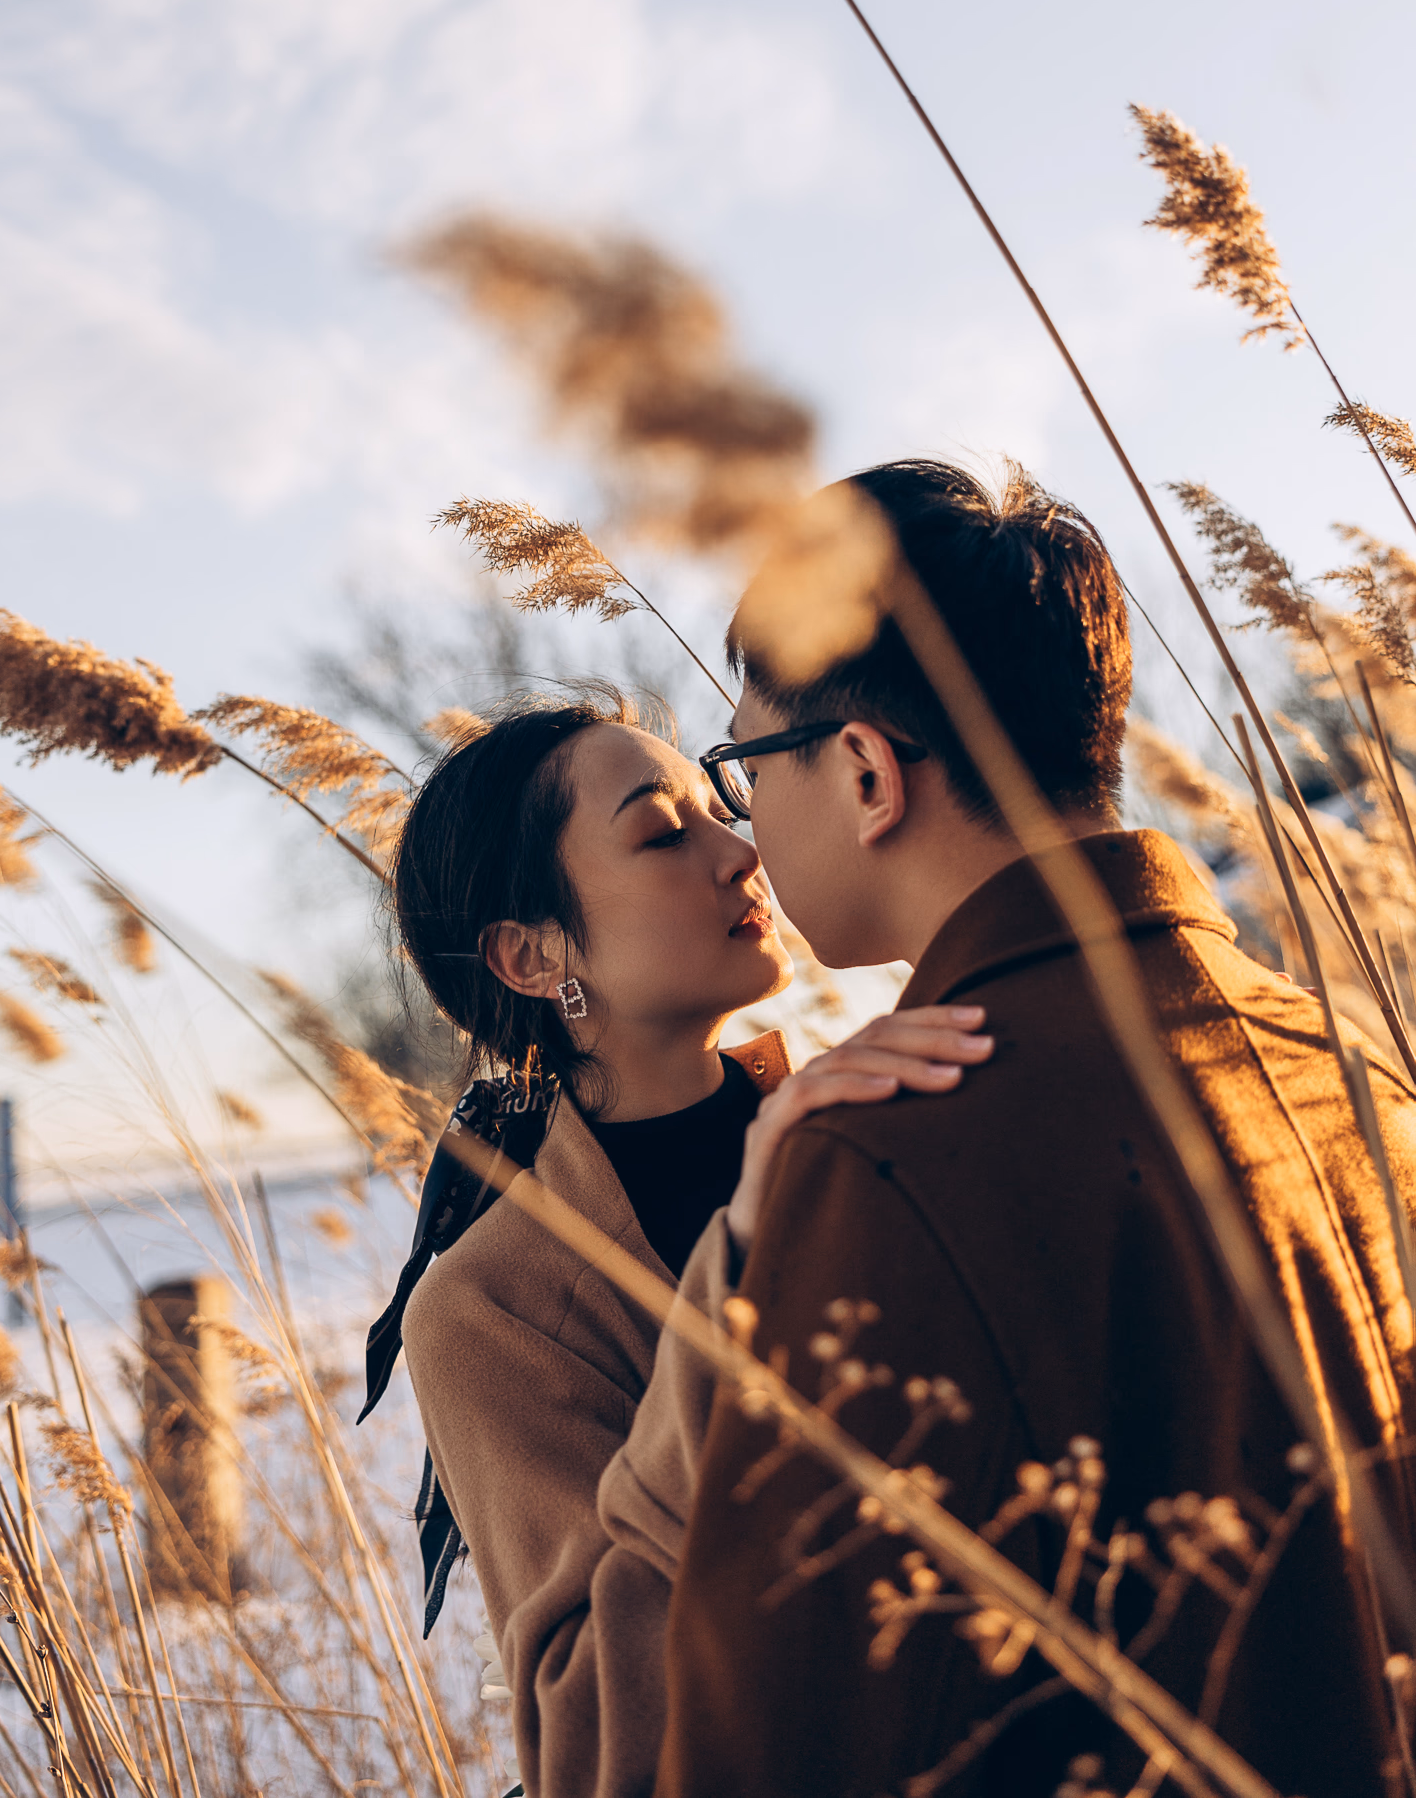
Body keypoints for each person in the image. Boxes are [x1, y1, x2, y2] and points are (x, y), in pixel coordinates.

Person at [629, 459, 1416, 1798]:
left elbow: (785, 1743)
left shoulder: (897, 1149)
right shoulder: (1344, 1060)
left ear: (867, 771)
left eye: (745, 768)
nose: (747, 839)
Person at [360, 691, 993, 1798]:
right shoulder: (487, 1309)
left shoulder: (880, 1133)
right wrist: (745, 1256)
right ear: (529, 954)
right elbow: (602, 1733)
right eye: (663, 832)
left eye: (720, 809)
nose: (740, 851)